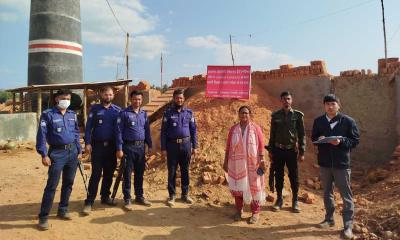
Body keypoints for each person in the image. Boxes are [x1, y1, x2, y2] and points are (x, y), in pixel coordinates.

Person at [312, 94, 359, 240]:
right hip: (325, 164)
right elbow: (313, 138)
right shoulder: (319, 121)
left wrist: (341, 141)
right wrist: (318, 140)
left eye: (333, 104)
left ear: (339, 105)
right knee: (327, 193)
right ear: (324, 106)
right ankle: (329, 219)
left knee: (346, 196)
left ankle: (348, 227)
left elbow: (355, 141)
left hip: (341, 164)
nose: (330, 107)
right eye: (327, 104)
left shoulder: (348, 121)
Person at [36, 89, 82, 230]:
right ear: (57, 99)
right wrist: (44, 154)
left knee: (68, 183)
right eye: (63, 98)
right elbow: (42, 136)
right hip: (56, 153)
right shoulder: (48, 114)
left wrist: (79, 150)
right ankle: (43, 217)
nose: (66, 101)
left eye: (68, 98)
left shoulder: (72, 114)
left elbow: (76, 133)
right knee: (52, 186)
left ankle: (63, 209)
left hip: (72, 152)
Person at [223, 106, 266, 224]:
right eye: (242, 113)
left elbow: (261, 146)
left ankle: (255, 213)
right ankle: (239, 211)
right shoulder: (233, 129)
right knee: (238, 187)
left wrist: (262, 160)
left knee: (254, 187)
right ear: (238, 114)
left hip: (253, 164)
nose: (244, 115)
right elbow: (228, 147)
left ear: (249, 114)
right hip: (237, 164)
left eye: (246, 113)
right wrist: (225, 161)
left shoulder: (256, 128)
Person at [82, 86, 121, 215]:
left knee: (109, 174)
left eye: (110, 95)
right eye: (106, 94)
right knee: (96, 175)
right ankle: (90, 201)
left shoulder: (117, 111)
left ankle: (105, 197)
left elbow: (119, 131)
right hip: (98, 147)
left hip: (111, 147)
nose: (108, 97)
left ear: (113, 96)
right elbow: (88, 128)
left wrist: (119, 147)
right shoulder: (95, 109)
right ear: (101, 95)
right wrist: (87, 143)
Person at [266, 91, 305, 213]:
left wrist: (302, 152)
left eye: (288, 99)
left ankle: (295, 201)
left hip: (291, 151)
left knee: (294, 176)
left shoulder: (298, 116)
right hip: (278, 150)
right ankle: (279, 200)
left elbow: (302, 135)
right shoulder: (275, 116)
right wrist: (271, 151)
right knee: (278, 176)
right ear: (281, 101)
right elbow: (272, 135)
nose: (286, 101)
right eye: (284, 99)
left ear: (291, 100)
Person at [115, 90, 152, 211]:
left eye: (139, 99)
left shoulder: (144, 114)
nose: (137, 101)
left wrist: (149, 145)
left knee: (140, 173)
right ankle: (127, 198)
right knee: (127, 174)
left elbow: (147, 131)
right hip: (128, 147)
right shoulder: (124, 113)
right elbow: (119, 132)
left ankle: (139, 196)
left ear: (142, 100)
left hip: (141, 148)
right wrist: (119, 148)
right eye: (135, 99)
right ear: (131, 100)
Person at [161, 89, 197, 207]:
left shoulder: (189, 113)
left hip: (186, 145)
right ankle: (172, 196)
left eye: (181, 98)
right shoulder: (168, 113)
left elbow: (193, 130)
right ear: (174, 99)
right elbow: (163, 132)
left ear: (184, 99)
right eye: (177, 98)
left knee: (185, 170)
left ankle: (185, 194)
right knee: (172, 171)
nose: (179, 100)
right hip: (172, 146)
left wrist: (195, 146)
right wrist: (163, 148)